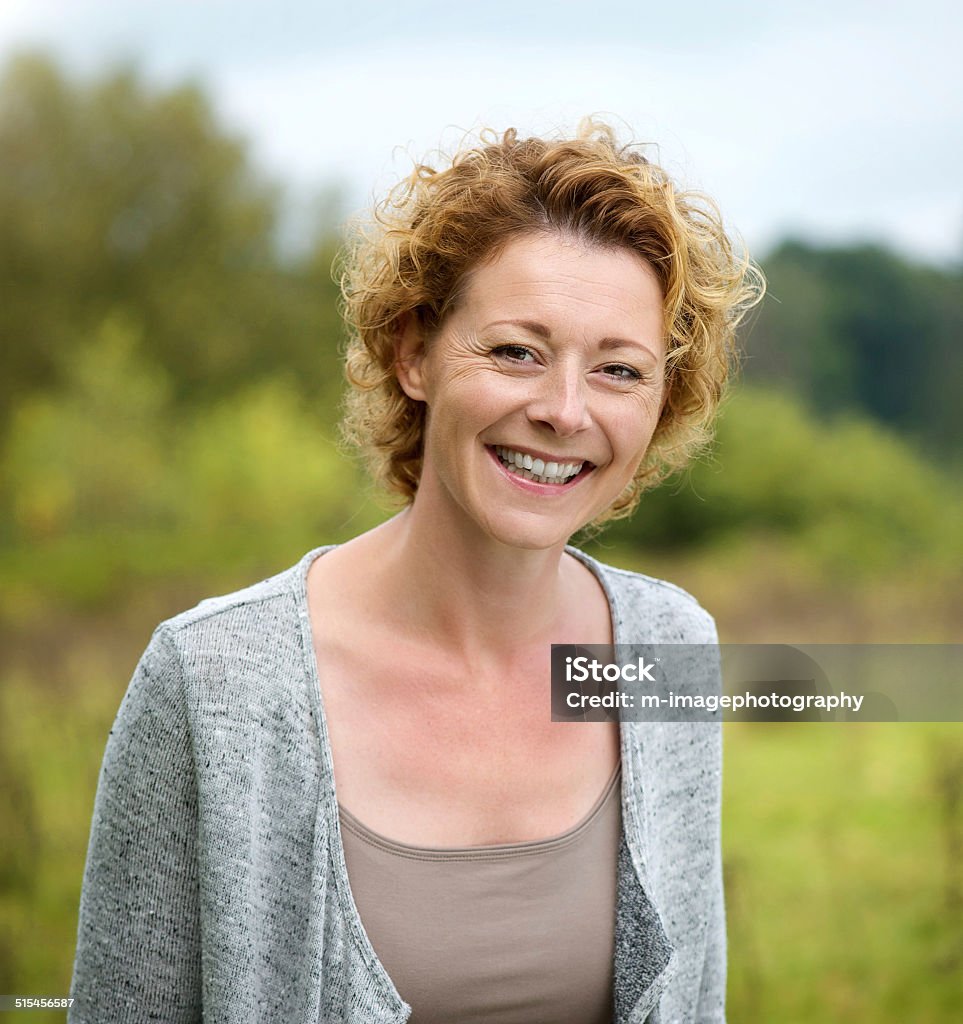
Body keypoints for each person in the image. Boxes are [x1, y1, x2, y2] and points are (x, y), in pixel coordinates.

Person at [68, 120, 763, 1023]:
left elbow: (693, 1002)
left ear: (660, 404)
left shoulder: (669, 649)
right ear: (413, 352)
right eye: (515, 350)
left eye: (618, 370)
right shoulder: (214, 680)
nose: (562, 410)